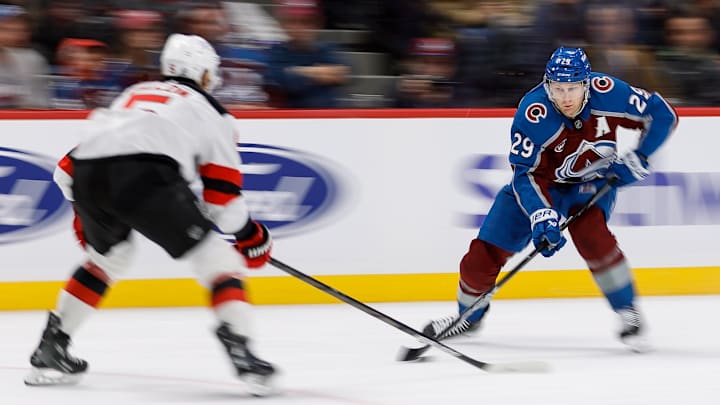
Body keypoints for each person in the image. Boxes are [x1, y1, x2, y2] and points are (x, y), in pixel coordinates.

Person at [24, 33, 277, 395]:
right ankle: (243, 352)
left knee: (109, 258)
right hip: (145, 174)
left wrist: (84, 215)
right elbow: (224, 206)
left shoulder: (131, 96)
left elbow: (66, 170)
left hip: (88, 174)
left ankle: (52, 348)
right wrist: (252, 237)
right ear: (205, 74)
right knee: (218, 260)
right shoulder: (213, 113)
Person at [422, 47, 678, 352]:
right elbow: (525, 175)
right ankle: (468, 317)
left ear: (587, 84)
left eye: (572, 88)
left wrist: (640, 155)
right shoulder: (533, 113)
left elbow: (663, 114)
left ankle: (628, 312)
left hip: (590, 184)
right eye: (558, 89)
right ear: (547, 85)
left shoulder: (610, 92)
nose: (566, 97)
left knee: (593, 235)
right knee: (483, 254)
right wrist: (542, 215)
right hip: (541, 186)